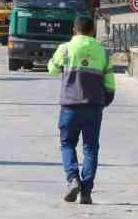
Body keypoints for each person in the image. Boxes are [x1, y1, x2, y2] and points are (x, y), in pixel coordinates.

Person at [47, 15, 116, 205]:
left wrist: (60, 63)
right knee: (91, 148)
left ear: (74, 30)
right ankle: (86, 192)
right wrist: (106, 99)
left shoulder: (66, 48)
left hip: (70, 105)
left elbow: (52, 70)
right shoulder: (102, 52)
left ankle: (72, 179)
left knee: (67, 143)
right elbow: (110, 81)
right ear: (93, 31)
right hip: (94, 106)